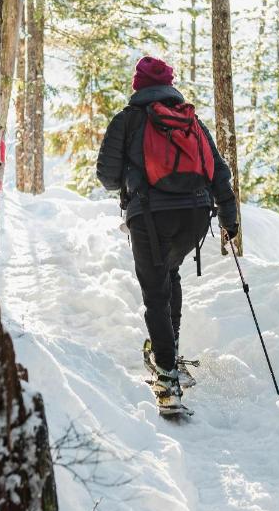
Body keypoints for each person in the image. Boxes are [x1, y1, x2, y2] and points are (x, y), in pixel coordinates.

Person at [96, 56, 239, 415]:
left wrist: (134, 175)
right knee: (169, 273)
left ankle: (167, 376)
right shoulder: (191, 121)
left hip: (150, 215)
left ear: (137, 85)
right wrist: (229, 218)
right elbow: (220, 173)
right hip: (194, 215)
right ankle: (170, 353)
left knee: (155, 290)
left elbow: (107, 177)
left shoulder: (127, 121)